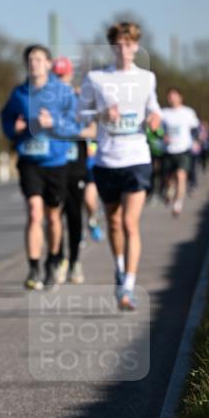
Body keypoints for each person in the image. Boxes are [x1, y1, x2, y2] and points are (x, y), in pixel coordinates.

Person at [78, 21, 161, 310]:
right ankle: (120, 265)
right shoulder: (96, 78)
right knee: (113, 221)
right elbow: (80, 112)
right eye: (119, 44)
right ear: (112, 46)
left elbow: (154, 108)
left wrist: (154, 118)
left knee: (129, 222)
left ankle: (128, 285)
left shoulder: (147, 79)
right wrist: (102, 114)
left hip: (137, 158)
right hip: (106, 160)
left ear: (137, 46)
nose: (124, 49)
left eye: (130, 43)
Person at [1, 45, 78, 290]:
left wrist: (52, 122)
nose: (34, 64)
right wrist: (16, 129)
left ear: (48, 63)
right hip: (29, 160)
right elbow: (7, 120)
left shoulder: (63, 92)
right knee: (34, 212)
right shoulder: (19, 94)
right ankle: (33, 267)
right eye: (30, 60)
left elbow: (75, 126)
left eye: (39, 59)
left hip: (55, 161)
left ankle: (53, 260)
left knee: (53, 216)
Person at [51, 55, 96, 284]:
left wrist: (67, 131)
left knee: (74, 215)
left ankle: (75, 262)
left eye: (62, 75)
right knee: (52, 216)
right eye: (55, 75)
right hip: (52, 166)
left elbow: (93, 131)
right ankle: (58, 259)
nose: (59, 79)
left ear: (69, 75)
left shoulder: (80, 101)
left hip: (75, 165)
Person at [160, 88, 200, 216]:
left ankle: (178, 204)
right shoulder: (163, 113)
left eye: (174, 95)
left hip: (183, 149)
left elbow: (196, 128)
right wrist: (162, 135)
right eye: (169, 96)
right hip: (168, 150)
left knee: (181, 176)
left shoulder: (188, 112)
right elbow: (156, 129)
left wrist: (196, 141)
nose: (171, 98)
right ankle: (169, 190)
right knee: (168, 178)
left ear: (180, 97)